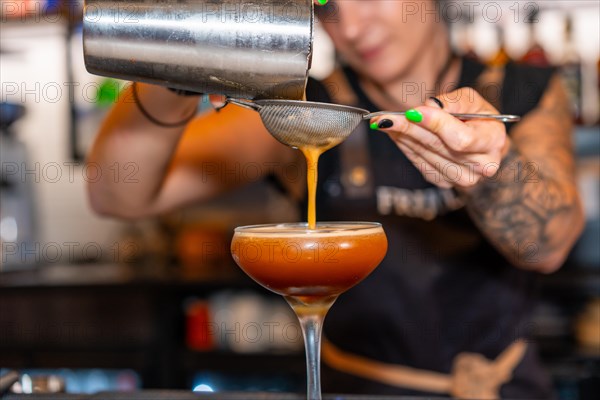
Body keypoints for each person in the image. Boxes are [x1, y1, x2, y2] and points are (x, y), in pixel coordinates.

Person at [87, 0, 584, 398]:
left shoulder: (523, 90)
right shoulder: (304, 108)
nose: (350, 23)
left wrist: (486, 171)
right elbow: (119, 195)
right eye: (325, 5)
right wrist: (180, 62)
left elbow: (550, 245)